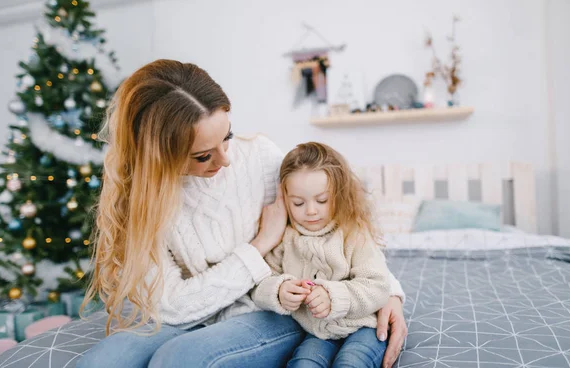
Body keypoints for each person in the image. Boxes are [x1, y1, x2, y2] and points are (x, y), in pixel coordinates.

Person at [77, 59, 407, 368]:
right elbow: (174, 306)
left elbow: (330, 225)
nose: (225, 160)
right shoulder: (144, 199)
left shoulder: (260, 158)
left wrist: (390, 293)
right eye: (204, 156)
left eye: (228, 137)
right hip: (191, 312)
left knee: (177, 360)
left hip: (269, 308)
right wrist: (259, 246)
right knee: (103, 362)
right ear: (159, 156)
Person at [252, 142, 391, 367]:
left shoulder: (353, 232)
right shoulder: (285, 239)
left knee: (350, 363)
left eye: (322, 200)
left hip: (362, 326)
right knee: (305, 363)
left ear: (340, 194)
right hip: (317, 332)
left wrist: (334, 296)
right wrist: (279, 290)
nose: (311, 211)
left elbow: (378, 286)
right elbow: (258, 284)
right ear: (285, 199)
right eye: (298, 202)